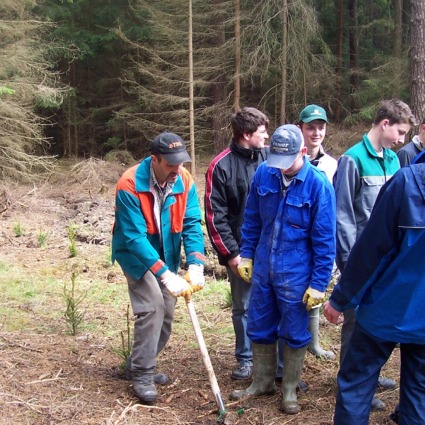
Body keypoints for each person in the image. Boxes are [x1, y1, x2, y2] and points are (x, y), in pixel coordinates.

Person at [230, 124, 336, 414]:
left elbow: (325, 240)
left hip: (297, 270)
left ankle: (289, 389)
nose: (282, 168)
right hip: (264, 264)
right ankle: (262, 382)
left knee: (294, 329)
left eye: (287, 161)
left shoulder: (318, 184)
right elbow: (252, 219)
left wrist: (318, 283)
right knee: (259, 323)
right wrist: (247, 254)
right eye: (277, 161)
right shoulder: (264, 173)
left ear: (302, 152)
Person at [323, 162, 425, 425]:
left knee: (356, 383)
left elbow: (372, 250)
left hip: (384, 309)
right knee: (419, 392)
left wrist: (340, 299)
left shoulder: (406, 182)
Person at [112, 132, 206, 404]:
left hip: (167, 252)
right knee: (152, 306)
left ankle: (140, 362)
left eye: (181, 162)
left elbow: (191, 222)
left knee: (167, 310)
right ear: (154, 159)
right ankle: (142, 374)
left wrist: (196, 263)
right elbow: (134, 238)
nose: (177, 169)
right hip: (136, 255)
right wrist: (164, 274)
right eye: (170, 164)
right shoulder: (129, 184)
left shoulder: (184, 180)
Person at [205, 107, 269, 380]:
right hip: (241, 251)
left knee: (273, 302)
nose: (266, 136)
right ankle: (246, 359)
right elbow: (214, 216)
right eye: (262, 132)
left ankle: (271, 358)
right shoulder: (220, 166)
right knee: (243, 306)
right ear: (246, 134)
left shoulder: (270, 158)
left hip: (272, 248)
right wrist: (232, 254)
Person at [298, 104, 337, 360]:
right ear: (300, 128)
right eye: (310, 127)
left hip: (319, 236)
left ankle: (313, 342)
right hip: (295, 236)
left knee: (316, 285)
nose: (316, 133)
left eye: (320, 128)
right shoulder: (288, 160)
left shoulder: (332, 164)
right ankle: (294, 343)